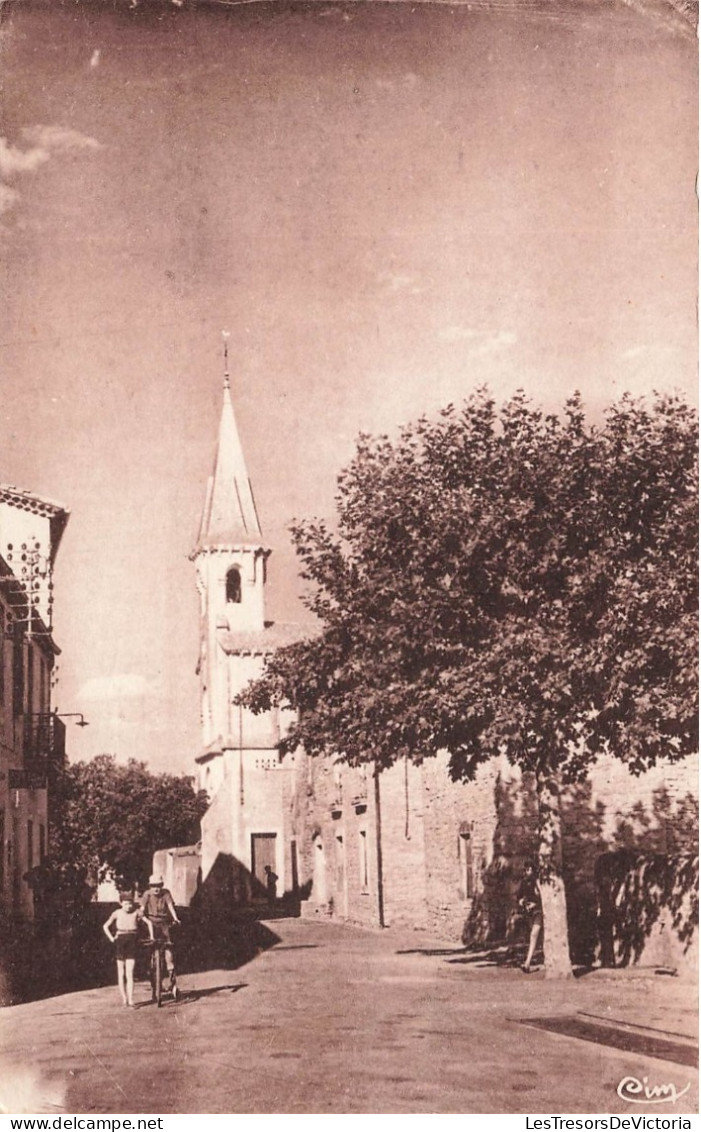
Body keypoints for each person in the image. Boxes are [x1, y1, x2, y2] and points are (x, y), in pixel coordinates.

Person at [103, 891, 152, 1007]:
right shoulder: (117, 913)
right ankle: (124, 998)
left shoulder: (136, 912)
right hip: (120, 942)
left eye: (130, 903)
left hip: (132, 942)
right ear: (121, 903)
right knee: (121, 973)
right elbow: (105, 926)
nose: (128, 906)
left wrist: (152, 936)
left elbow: (148, 922)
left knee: (130, 973)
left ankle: (131, 999)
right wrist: (111, 938)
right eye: (125, 904)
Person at [140, 874, 180, 990]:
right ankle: (154, 982)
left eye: (158, 886)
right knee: (150, 952)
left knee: (168, 949)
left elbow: (170, 906)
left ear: (162, 886)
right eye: (153, 886)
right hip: (151, 923)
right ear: (150, 886)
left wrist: (175, 918)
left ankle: (172, 980)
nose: (156, 888)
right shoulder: (147, 894)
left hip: (164, 923)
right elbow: (142, 908)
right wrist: (141, 915)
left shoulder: (166, 893)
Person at [516, 860, 543, 973]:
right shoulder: (524, 882)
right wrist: (521, 901)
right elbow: (518, 897)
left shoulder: (537, 882)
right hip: (529, 913)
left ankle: (527, 963)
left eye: (530, 869)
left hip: (538, 911)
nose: (528, 872)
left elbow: (542, 897)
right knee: (534, 936)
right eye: (526, 869)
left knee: (534, 935)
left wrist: (535, 904)